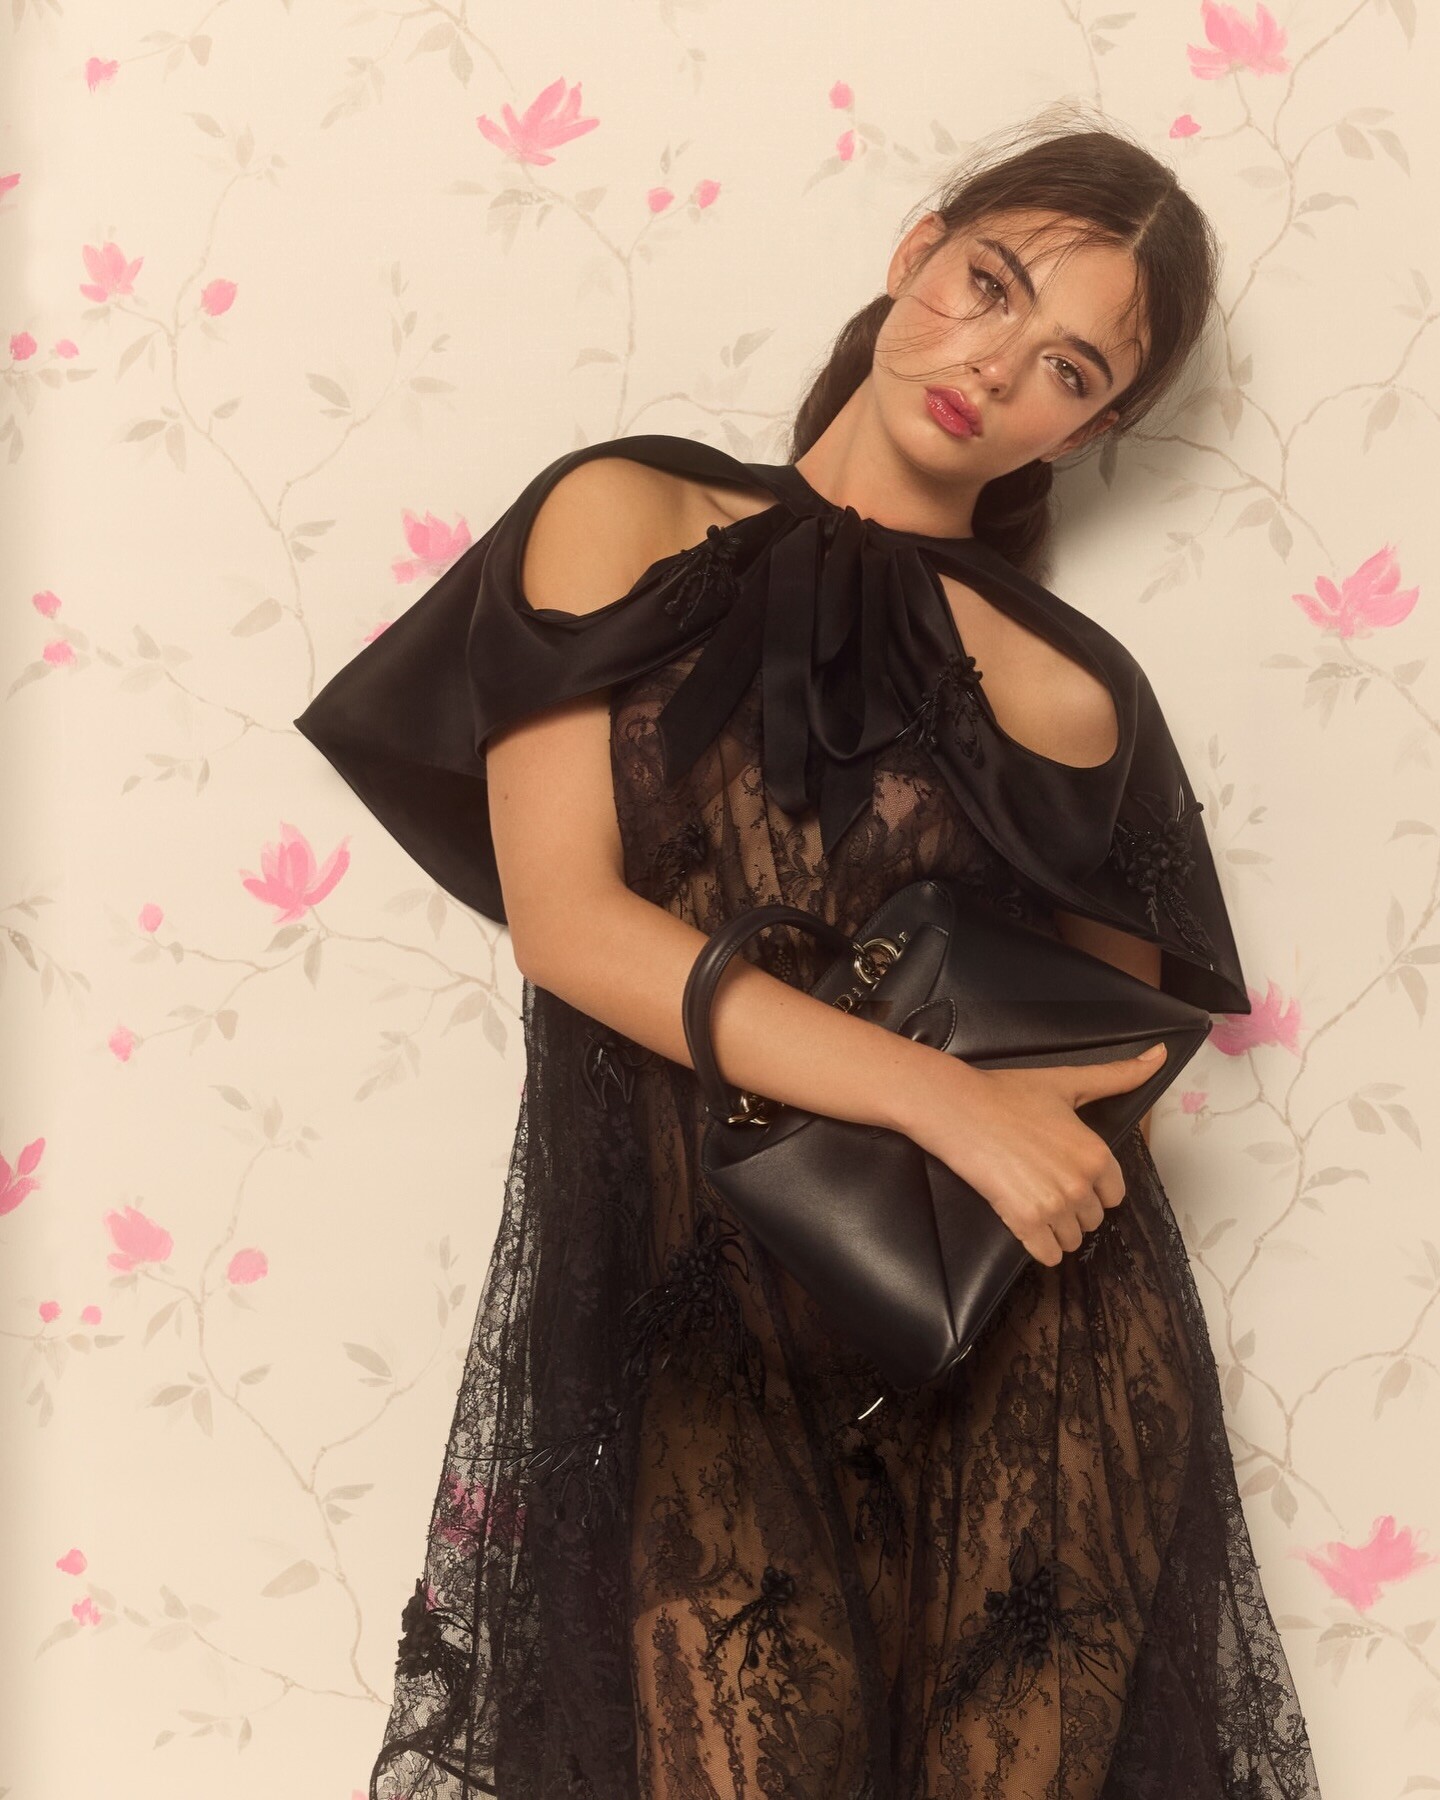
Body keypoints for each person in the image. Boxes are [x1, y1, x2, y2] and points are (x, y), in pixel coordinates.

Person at [295, 117, 1325, 1799]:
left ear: (1092, 426)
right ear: (917, 250)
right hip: (700, 1327)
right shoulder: (623, 508)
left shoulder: (1071, 687)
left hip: (1029, 1349)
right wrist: (941, 1097)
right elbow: (570, 926)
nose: (994, 365)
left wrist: (997, 1115)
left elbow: (1116, 1053)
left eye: (1069, 368)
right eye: (990, 284)